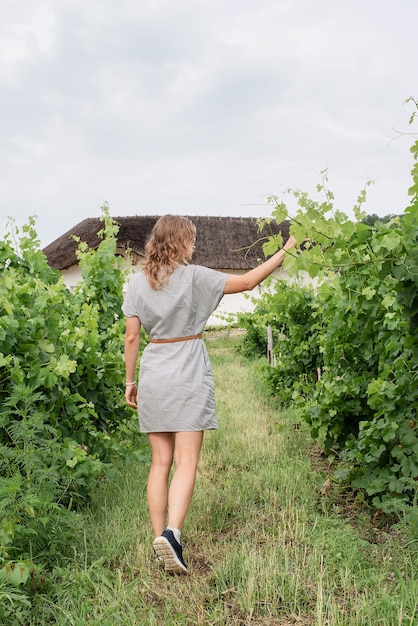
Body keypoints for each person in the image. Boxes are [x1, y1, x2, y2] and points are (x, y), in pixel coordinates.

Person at [122, 215, 298, 574]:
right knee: (186, 461)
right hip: (187, 369)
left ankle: (160, 541)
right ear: (182, 242)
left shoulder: (136, 284)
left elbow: (131, 338)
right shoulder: (195, 276)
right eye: (192, 240)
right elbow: (248, 282)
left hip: (154, 370)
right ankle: (172, 534)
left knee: (159, 463)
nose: (195, 246)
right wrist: (285, 250)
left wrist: (129, 382)